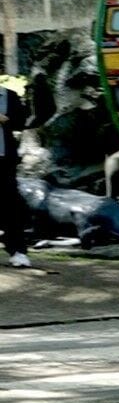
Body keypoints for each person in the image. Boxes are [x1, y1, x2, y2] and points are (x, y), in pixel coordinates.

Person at [0, 80, 29, 267]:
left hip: (4, 159)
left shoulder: (9, 96)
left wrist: (7, 119)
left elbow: (22, 122)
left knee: (11, 203)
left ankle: (17, 250)